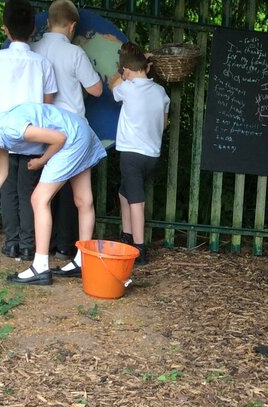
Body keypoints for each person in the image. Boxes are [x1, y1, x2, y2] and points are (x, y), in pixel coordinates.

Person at [0, 102, 106, 285]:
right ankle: (84, 261)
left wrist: (41, 161)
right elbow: (1, 172)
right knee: (83, 200)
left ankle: (41, 267)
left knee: (39, 199)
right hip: (78, 131)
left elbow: (59, 138)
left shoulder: (11, 128)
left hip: (71, 138)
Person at [0, 0, 57, 261]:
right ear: (34, 28)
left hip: (3, 136)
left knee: (8, 189)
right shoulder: (42, 62)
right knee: (28, 193)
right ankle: (27, 245)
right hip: (33, 137)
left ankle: (11, 243)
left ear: (5, 29)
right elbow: (48, 103)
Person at [32, 0, 103, 262]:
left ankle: (41, 255)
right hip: (76, 133)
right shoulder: (75, 53)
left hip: (43, 130)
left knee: (43, 196)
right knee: (83, 199)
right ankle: (81, 258)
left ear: (48, 21)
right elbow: (96, 89)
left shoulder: (34, 49)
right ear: (73, 26)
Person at [110, 41, 169, 265]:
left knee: (136, 200)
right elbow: (163, 125)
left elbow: (113, 87)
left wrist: (120, 71)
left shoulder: (127, 87)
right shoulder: (161, 92)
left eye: (124, 70)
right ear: (148, 67)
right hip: (152, 154)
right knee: (125, 193)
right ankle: (127, 236)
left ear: (127, 69)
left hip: (131, 154)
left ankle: (139, 249)